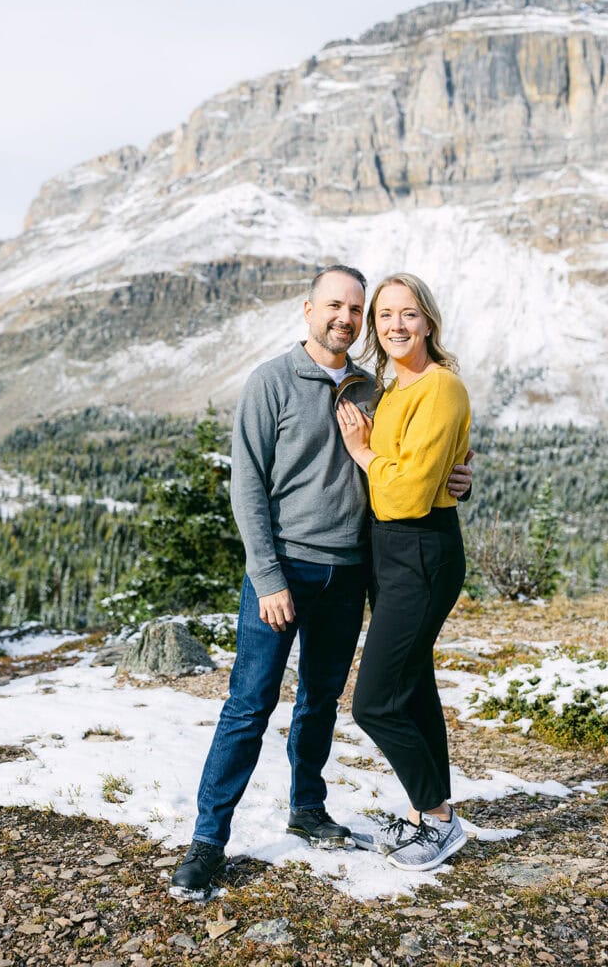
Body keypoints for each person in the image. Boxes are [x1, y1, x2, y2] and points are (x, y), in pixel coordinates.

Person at [170, 265, 472, 897]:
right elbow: (247, 488)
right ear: (308, 310)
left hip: (352, 570)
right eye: (334, 305)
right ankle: (207, 840)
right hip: (285, 572)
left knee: (319, 700)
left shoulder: (372, 387)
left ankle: (307, 808)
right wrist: (268, 575)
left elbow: (412, 460)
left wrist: (456, 480)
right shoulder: (271, 382)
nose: (346, 317)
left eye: (355, 309)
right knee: (249, 704)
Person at [336, 271, 471, 872]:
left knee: (375, 702)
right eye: (384, 315)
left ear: (429, 322)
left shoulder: (437, 387)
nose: (395, 325)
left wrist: (364, 454)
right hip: (396, 553)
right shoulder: (396, 388)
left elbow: (409, 495)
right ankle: (427, 816)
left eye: (408, 314)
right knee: (413, 688)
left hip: (420, 550)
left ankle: (438, 820)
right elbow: (429, 471)